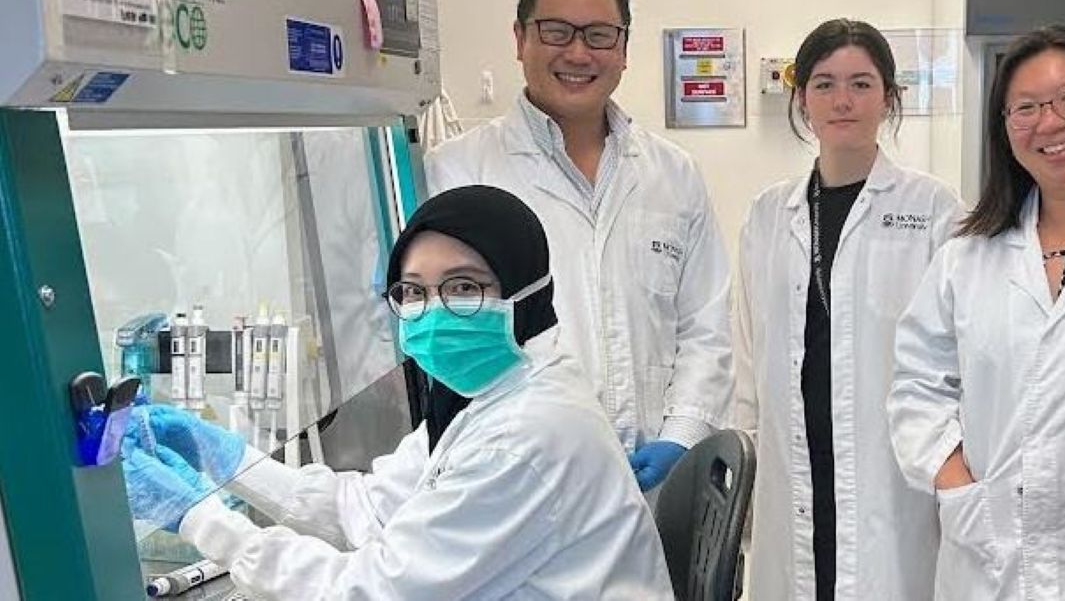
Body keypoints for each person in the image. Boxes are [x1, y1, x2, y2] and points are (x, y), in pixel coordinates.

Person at [120, 186, 674, 600]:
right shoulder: (483, 394)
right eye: (413, 292)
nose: (433, 313)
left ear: (525, 290)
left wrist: (199, 518)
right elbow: (369, 508)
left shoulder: (528, 434)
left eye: (463, 287)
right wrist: (227, 460)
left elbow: (373, 591)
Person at [425, 0, 732, 493]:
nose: (578, 53)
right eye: (556, 31)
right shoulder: (458, 172)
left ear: (623, 49)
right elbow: (449, 338)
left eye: (598, 35)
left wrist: (682, 433)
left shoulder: (673, 175)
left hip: (655, 482)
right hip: (520, 480)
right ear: (519, 39)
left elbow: (706, 325)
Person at [887, 26, 1065, 598]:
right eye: (1026, 107)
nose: (1051, 123)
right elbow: (917, 385)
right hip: (987, 557)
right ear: (1006, 129)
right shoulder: (968, 256)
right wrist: (957, 485)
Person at [732, 18, 964, 599]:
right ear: (801, 98)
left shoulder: (935, 209)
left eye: (861, 84)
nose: (843, 100)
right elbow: (746, 353)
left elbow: (958, 359)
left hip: (891, 472)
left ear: (889, 97)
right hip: (794, 463)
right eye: (824, 83)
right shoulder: (767, 215)